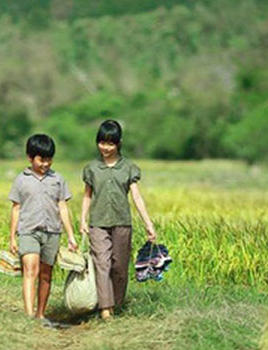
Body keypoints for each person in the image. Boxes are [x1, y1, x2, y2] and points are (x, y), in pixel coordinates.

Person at [80, 119, 157, 320]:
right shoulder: (91, 168)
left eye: (110, 143)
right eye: (102, 142)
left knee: (119, 267)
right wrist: (82, 220)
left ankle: (116, 303)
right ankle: (105, 309)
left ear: (119, 143)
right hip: (98, 223)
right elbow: (87, 195)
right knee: (102, 264)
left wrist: (148, 223)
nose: (106, 148)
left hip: (122, 223)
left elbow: (137, 197)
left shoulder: (129, 168)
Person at [8, 134, 78, 325]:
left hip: (52, 232)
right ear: (30, 158)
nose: (45, 163)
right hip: (28, 231)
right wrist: (12, 237)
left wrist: (71, 235)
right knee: (31, 269)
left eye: (49, 159)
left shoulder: (58, 179)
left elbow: (63, 207)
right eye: (41, 159)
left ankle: (40, 314)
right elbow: (16, 208)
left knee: (46, 274)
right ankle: (29, 315)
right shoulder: (21, 180)